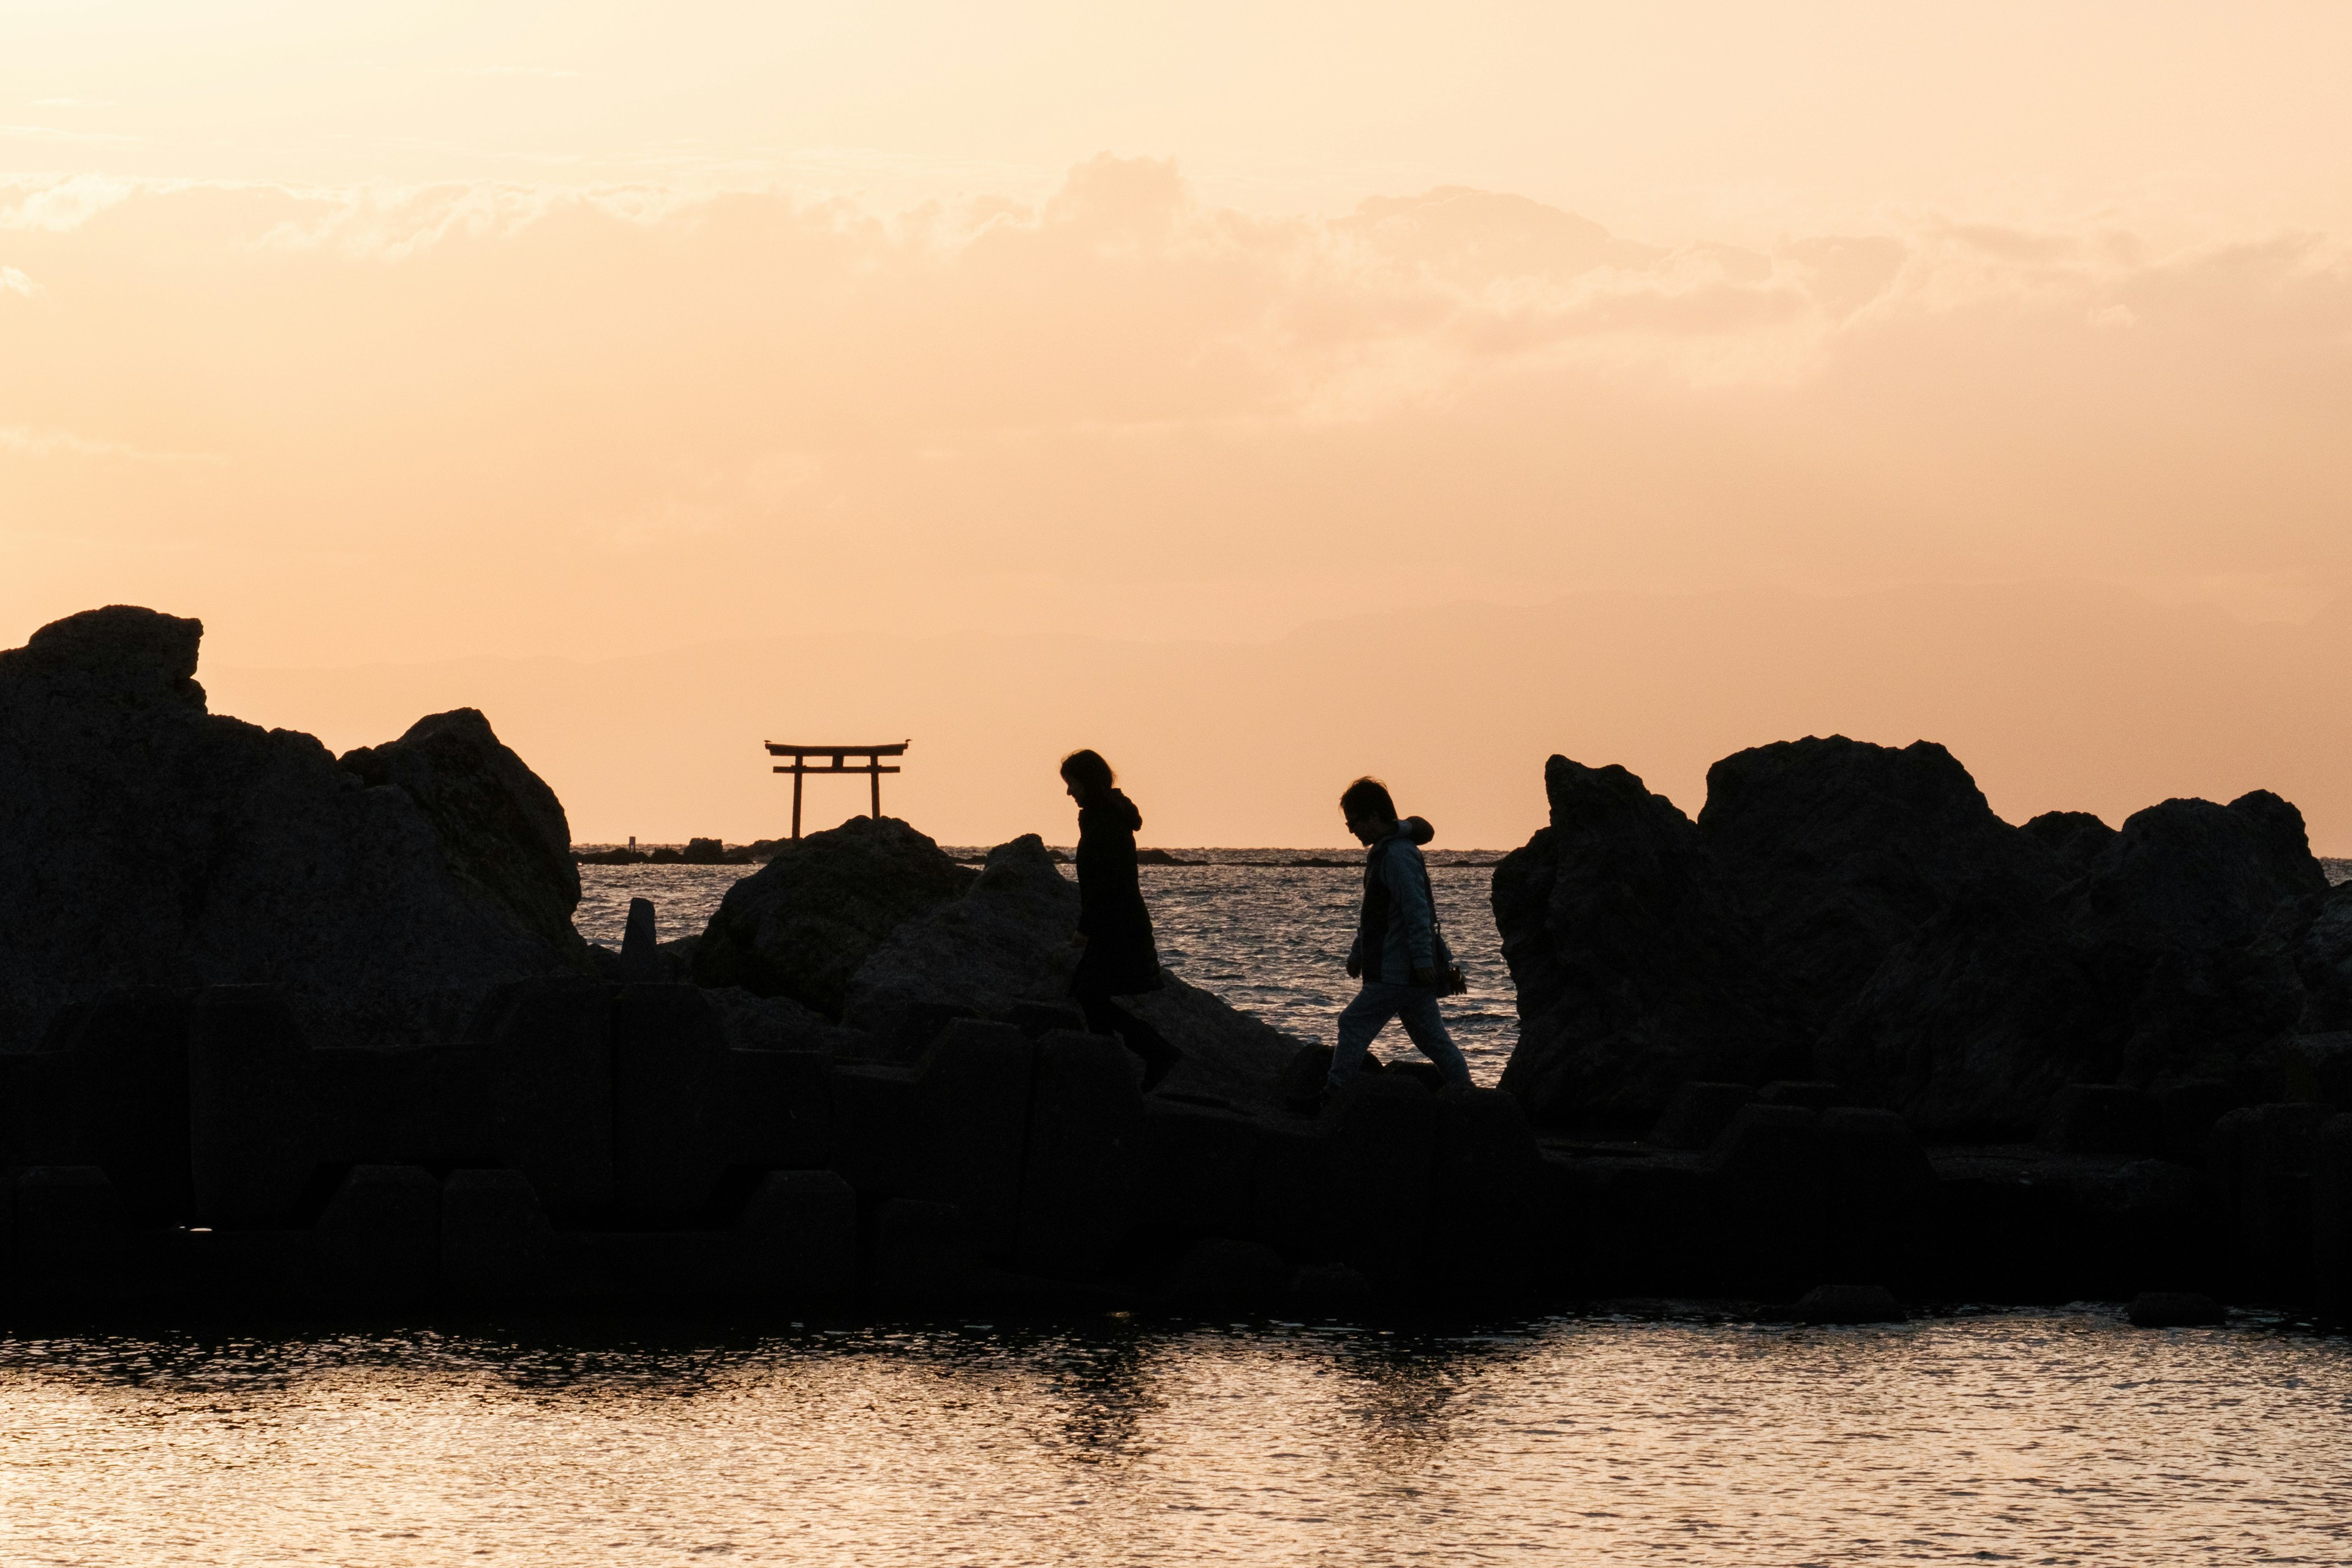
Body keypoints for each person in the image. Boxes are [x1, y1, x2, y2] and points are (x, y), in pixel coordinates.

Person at [1323, 775, 1473, 1101]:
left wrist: (1421, 960)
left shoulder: (1397, 856)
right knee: (1434, 1040)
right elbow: (1377, 916)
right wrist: (1358, 953)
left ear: (1374, 818)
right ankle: (1469, 1098)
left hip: (1396, 971)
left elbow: (1417, 911)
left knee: (1352, 1023)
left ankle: (1334, 1095)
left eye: (1354, 821)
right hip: (1404, 973)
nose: (1351, 829)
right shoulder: (1387, 852)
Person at [1061, 748, 1183, 1091]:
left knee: (1089, 994)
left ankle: (1153, 1054)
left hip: (1117, 926)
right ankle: (1112, 1071)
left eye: (1072, 783)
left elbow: (1106, 882)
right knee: (1091, 995)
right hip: (1120, 922)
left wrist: (1085, 929)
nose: (1069, 792)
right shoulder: (1108, 816)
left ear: (1087, 781)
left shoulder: (1103, 820)